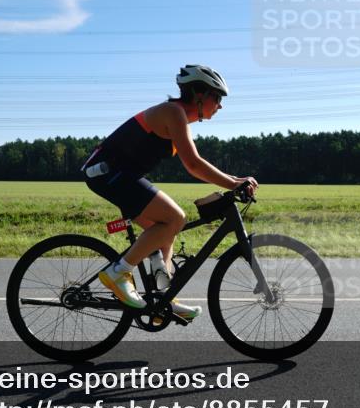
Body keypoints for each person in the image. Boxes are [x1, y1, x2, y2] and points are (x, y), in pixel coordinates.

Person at [82, 65, 258, 320]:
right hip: (107, 173)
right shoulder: (172, 113)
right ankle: (117, 273)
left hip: (119, 175)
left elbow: (196, 163)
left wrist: (236, 180)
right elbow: (194, 165)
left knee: (166, 231)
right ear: (199, 95)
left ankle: (162, 302)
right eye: (217, 98)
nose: (220, 105)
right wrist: (233, 184)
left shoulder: (178, 118)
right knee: (175, 218)